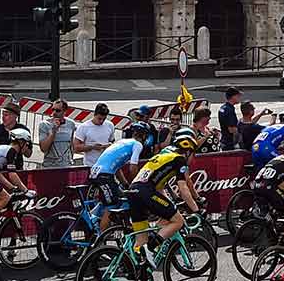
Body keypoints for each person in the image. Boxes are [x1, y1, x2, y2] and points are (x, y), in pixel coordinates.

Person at [129, 131, 203, 269]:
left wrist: (171, 205)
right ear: (187, 152)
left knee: (141, 243)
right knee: (178, 221)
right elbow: (183, 189)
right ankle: (151, 246)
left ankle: (135, 271)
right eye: (194, 154)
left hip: (133, 191)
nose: (193, 158)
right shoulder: (179, 159)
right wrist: (196, 210)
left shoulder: (162, 156)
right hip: (145, 191)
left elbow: (160, 190)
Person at [73, 104, 119, 168]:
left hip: (107, 164)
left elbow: (112, 141)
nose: (101, 121)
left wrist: (110, 146)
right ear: (95, 114)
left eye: (104, 119)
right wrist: (92, 147)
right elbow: (76, 148)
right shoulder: (84, 127)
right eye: (99, 118)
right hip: (90, 165)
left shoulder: (110, 125)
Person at [38, 100, 77, 168]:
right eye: (53, 110)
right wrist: (53, 131)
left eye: (58, 110)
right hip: (50, 165)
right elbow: (43, 148)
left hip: (66, 165)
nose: (54, 113)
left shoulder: (71, 124)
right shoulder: (45, 125)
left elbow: (71, 144)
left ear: (65, 111)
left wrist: (71, 159)